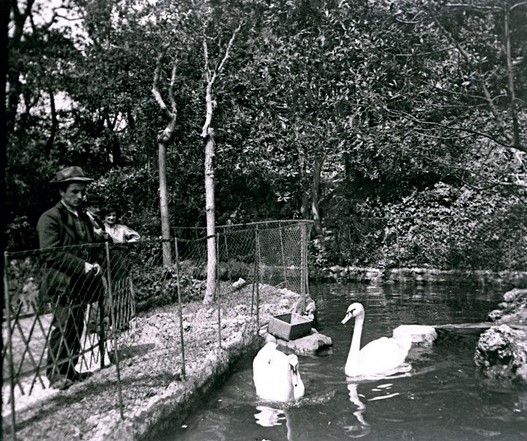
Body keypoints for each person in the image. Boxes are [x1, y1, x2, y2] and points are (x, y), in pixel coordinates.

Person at [37, 166, 105, 390]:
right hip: (62, 283)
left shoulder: (83, 217)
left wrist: (96, 261)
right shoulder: (50, 218)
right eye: (75, 191)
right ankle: (56, 374)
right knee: (64, 325)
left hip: (82, 283)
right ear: (61, 192)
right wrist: (81, 265)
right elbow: (50, 253)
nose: (80, 196)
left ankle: (70, 370)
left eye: (82, 191)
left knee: (76, 326)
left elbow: (92, 244)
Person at [103, 205, 140, 332]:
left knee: (121, 287)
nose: (111, 217)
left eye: (113, 215)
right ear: (104, 216)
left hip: (120, 259)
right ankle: (107, 321)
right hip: (105, 259)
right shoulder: (101, 228)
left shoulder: (122, 228)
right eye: (109, 215)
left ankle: (123, 320)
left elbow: (137, 237)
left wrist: (126, 244)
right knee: (107, 289)